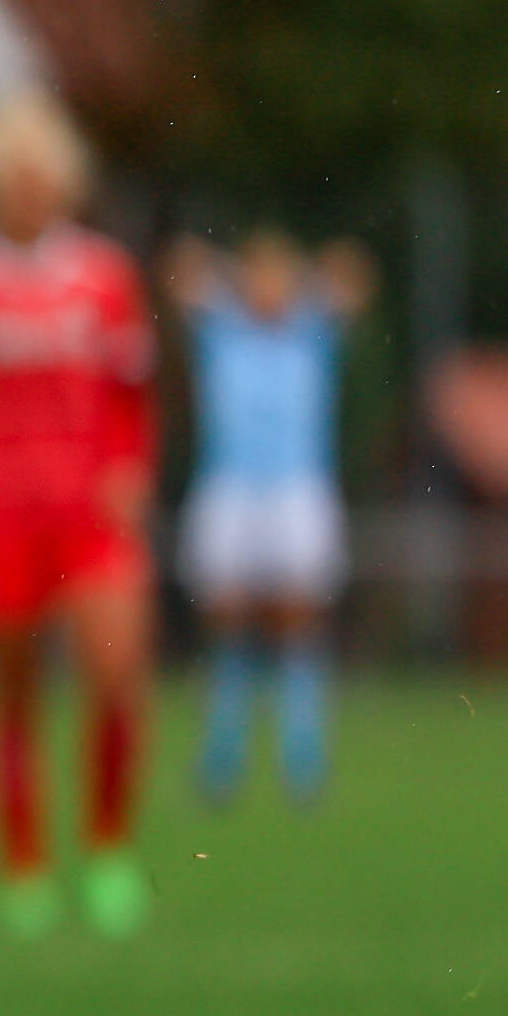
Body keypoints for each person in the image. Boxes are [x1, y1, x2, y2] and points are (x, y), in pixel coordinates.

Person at [0, 91, 159, 940]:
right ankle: (23, 869)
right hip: (0, 519)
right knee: (11, 699)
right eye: (11, 177)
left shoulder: (104, 277)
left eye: (39, 176)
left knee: (117, 675)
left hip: (87, 515)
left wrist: (129, 467)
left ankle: (108, 848)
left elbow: (133, 392)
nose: (26, 191)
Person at [165, 229, 371, 806]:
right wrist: (238, 278)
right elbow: (180, 268)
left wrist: (299, 284)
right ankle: (221, 756)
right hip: (229, 487)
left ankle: (303, 758)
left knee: (299, 621)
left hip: (298, 489)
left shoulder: (313, 331)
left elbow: (354, 274)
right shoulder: (221, 328)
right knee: (228, 620)